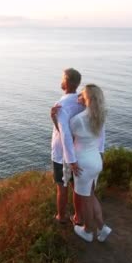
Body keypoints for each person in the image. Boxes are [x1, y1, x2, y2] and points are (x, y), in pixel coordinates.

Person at [65, 84, 111, 242]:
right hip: (96, 161)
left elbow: (65, 136)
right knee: (90, 196)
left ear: (87, 99)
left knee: (85, 200)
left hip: (83, 164)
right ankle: (102, 228)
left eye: (81, 95)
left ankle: (88, 231)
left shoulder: (77, 120)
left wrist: (54, 118)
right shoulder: (100, 116)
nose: (78, 97)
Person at [51, 68, 85, 225]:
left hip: (62, 154)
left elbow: (64, 133)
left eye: (63, 78)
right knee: (76, 186)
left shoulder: (61, 105)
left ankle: (61, 217)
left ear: (68, 82)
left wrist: (70, 159)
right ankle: (78, 216)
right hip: (79, 150)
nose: (61, 80)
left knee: (62, 186)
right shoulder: (82, 102)